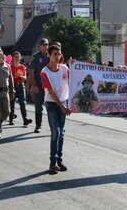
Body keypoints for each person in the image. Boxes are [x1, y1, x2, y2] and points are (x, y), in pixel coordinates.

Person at [40, 44, 71, 173]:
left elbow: (74, 81)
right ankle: (53, 162)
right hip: (52, 104)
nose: (57, 57)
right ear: (49, 55)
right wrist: (62, 107)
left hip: (63, 103)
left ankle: (60, 160)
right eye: (55, 54)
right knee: (56, 132)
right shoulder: (44, 72)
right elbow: (51, 92)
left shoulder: (65, 68)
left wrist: (74, 65)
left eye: (59, 54)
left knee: (62, 133)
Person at [28, 38, 50, 133]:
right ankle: (38, 125)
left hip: (49, 86)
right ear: (40, 46)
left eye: (47, 45)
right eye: (44, 45)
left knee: (51, 107)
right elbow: (31, 71)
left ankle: (53, 126)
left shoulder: (50, 56)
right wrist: (33, 85)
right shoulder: (35, 57)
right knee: (38, 107)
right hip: (39, 85)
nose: (45, 46)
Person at [9, 51, 32, 126]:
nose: (17, 58)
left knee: (23, 103)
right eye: (15, 57)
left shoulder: (22, 67)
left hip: (21, 86)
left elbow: (25, 77)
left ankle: (25, 119)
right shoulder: (10, 67)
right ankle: (11, 119)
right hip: (13, 86)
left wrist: (20, 76)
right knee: (12, 103)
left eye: (18, 57)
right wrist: (16, 76)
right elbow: (9, 78)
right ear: (12, 58)